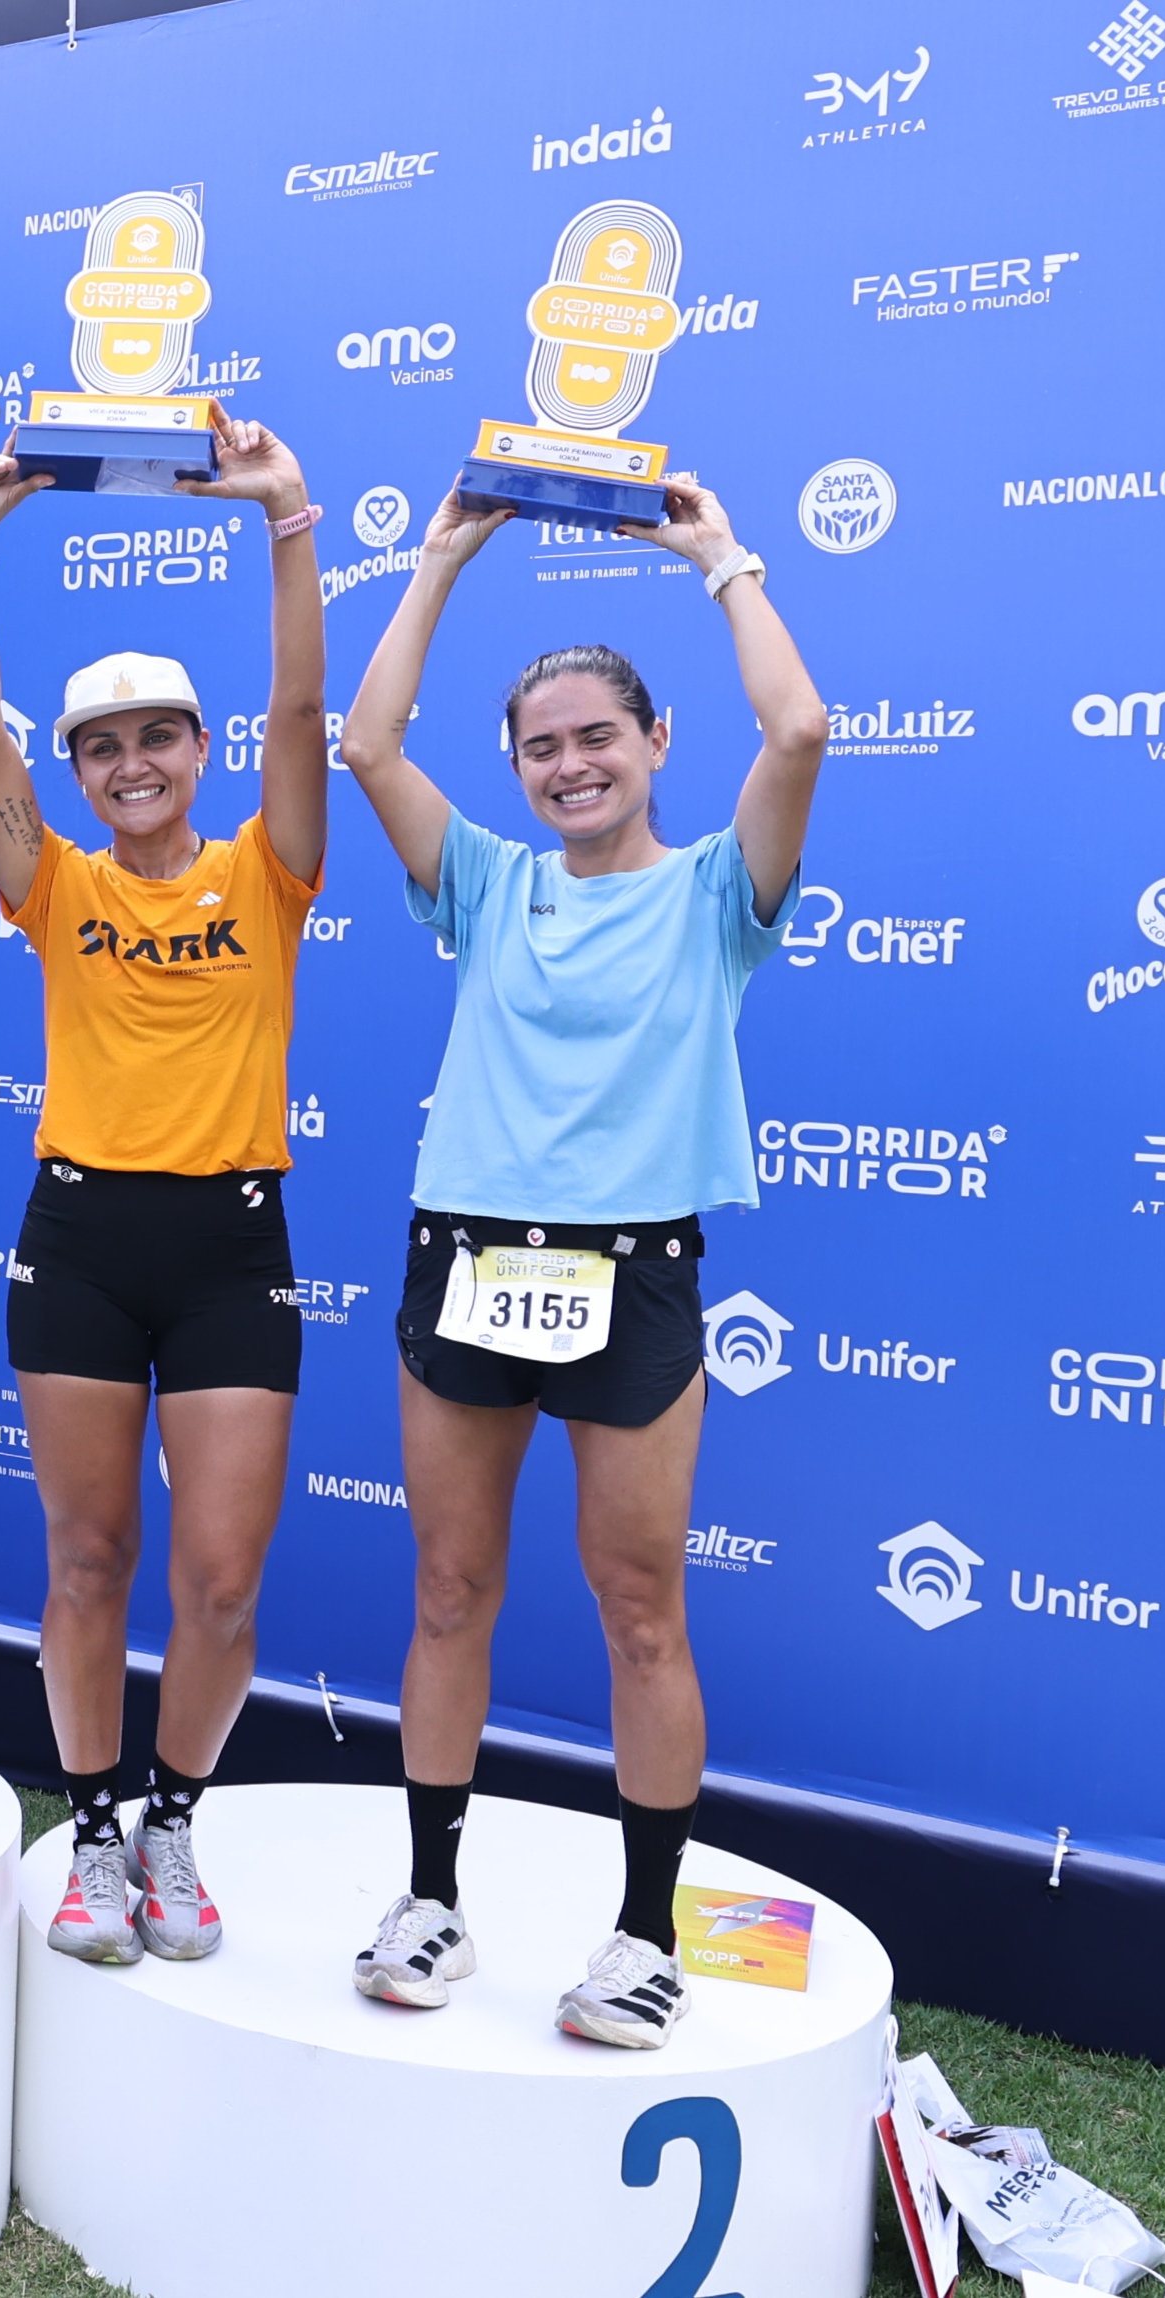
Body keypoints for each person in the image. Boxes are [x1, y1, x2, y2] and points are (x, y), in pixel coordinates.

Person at [330, 478, 828, 2045]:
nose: (569, 765)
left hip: (636, 1277)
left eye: (596, 737)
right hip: (469, 1257)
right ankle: (431, 1898)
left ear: (656, 742)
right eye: (541, 745)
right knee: (453, 1583)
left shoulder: (715, 898)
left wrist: (714, 555)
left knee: (639, 1604)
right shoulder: (487, 881)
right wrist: (441, 558)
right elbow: (365, 746)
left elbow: (803, 729)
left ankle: (640, 1930)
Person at [0, 422, 327, 1966]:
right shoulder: (59, 885)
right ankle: (92, 1826)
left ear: (199, 751)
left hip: (233, 1245)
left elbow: (307, 705)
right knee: (87, 1560)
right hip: (82, 1239)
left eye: (159, 736)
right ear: (82, 774)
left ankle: (175, 1812)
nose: (133, 763)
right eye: (103, 747)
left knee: (222, 1585)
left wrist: (287, 521)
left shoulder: (267, 872)